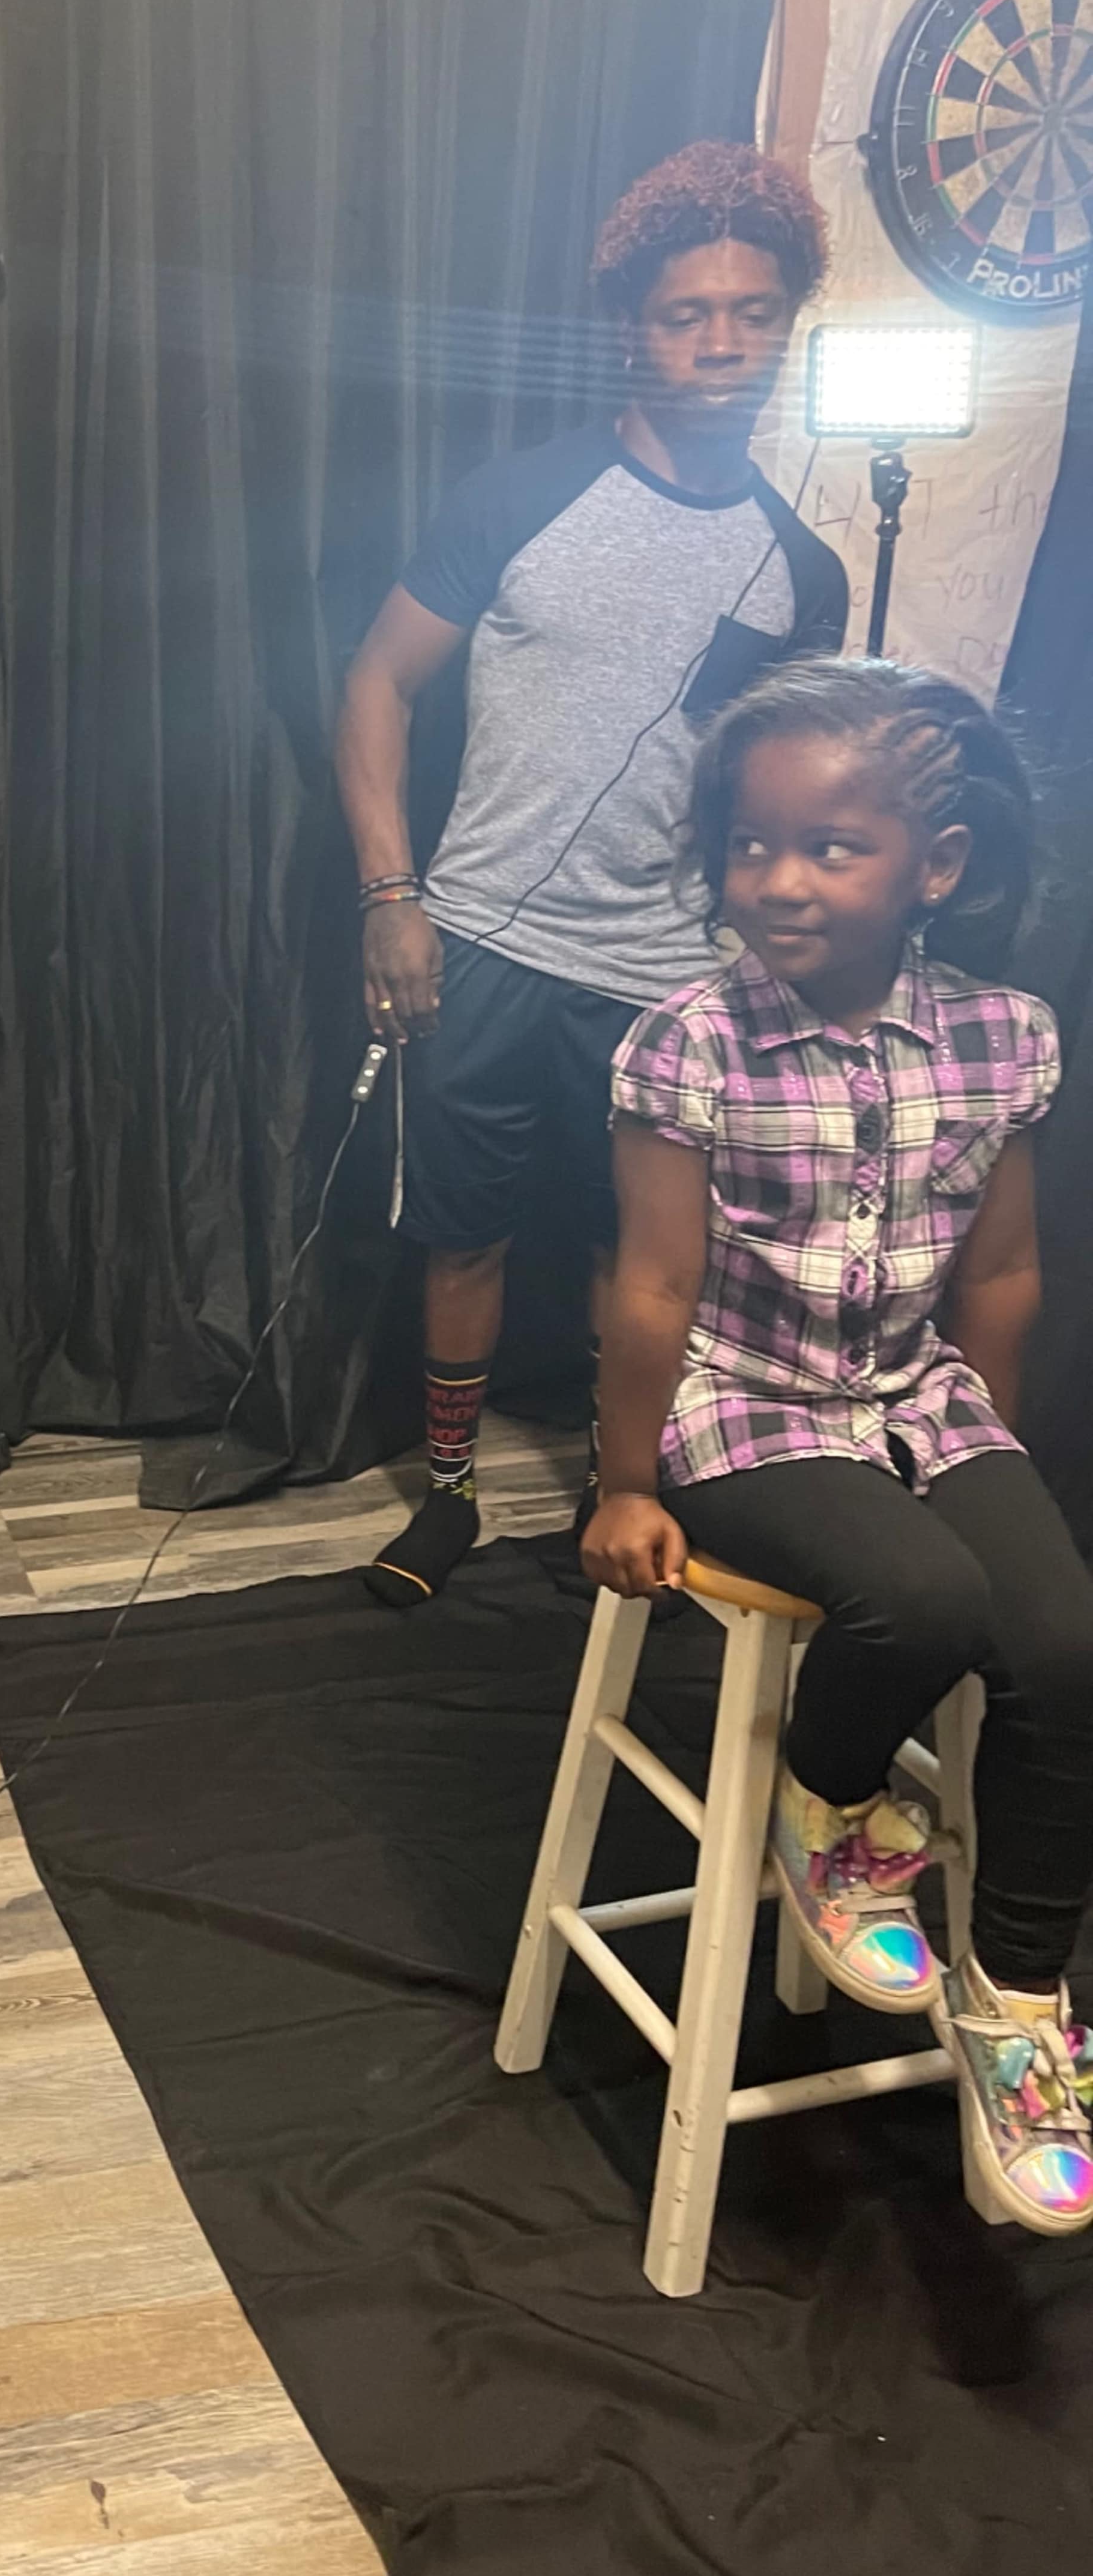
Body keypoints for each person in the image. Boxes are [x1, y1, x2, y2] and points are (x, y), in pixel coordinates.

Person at [586, 657, 1093, 2234]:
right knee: (921, 1608)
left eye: (829, 848)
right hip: (741, 1400)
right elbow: (652, 1284)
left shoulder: (1002, 1037)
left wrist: (988, 1464)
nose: (778, 882)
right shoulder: (692, 1041)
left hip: (915, 1394)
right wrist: (620, 1478)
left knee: (1064, 1642)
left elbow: (999, 1274)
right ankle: (829, 1801)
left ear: (933, 867)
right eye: (751, 846)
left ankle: (1019, 2004)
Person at [334, 143, 849, 1607]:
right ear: (638, 321)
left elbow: (778, 789)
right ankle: (445, 1496)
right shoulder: (521, 496)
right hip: (485, 944)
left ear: (785, 324)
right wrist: (393, 897)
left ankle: (627, 1496)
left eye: (754, 312)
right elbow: (376, 681)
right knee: (465, 1235)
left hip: (671, 976)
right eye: (691, 313)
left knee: (650, 1256)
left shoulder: (801, 570)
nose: (723, 341)